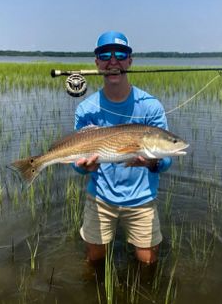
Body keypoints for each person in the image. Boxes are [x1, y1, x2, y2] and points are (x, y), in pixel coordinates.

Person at [73, 31, 172, 268]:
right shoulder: (86, 109)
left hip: (141, 199)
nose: (113, 61)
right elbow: (75, 161)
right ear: (97, 62)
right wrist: (83, 169)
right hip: (100, 197)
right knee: (94, 261)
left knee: (148, 263)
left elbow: (166, 160)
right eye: (105, 54)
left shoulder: (150, 106)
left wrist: (153, 162)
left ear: (130, 60)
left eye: (121, 54)